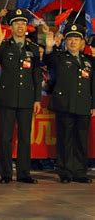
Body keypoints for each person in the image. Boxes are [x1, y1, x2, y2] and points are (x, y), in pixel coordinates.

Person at [0, 9, 42, 184]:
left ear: (26, 27)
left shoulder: (32, 48)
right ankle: (6, 174)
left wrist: (37, 98)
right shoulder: (4, 44)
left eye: (23, 23)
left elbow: (37, 74)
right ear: (10, 26)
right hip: (7, 97)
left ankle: (24, 173)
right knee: (5, 137)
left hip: (26, 98)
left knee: (25, 137)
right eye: (16, 23)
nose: (20, 26)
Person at [43, 24, 94, 184]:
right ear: (65, 42)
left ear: (82, 42)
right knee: (65, 139)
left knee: (80, 140)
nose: (73, 42)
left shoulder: (89, 61)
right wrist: (49, 48)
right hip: (65, 105)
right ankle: (64, 172)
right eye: (70, 39)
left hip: (83, 105)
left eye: (76, 39)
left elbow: (93, 84)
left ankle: (79, 172)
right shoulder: (59, 57)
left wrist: (93, 105)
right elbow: (48, 61)